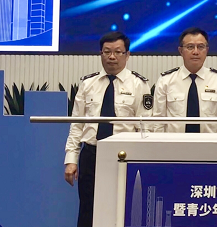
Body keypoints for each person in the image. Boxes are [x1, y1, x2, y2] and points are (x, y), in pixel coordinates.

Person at [64, 31, 152, 227]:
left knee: (122, 209)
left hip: (125, 155)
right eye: (107, 52)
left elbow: (145, 127)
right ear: (100, 54)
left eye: (118, 52)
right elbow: (77, 125)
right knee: (88, 209)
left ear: (127, 55)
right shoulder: (88, 84)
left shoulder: (139, 85)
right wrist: (71, 160)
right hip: (91, 155)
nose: (112, 57)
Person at [152, 27, 217, 133]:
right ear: (181, 51)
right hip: (174, 142)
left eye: (200, 47)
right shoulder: (165, 81)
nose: (195, 52)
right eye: (190, 47)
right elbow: (158, 122)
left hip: (209, 142)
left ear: (207, 50)